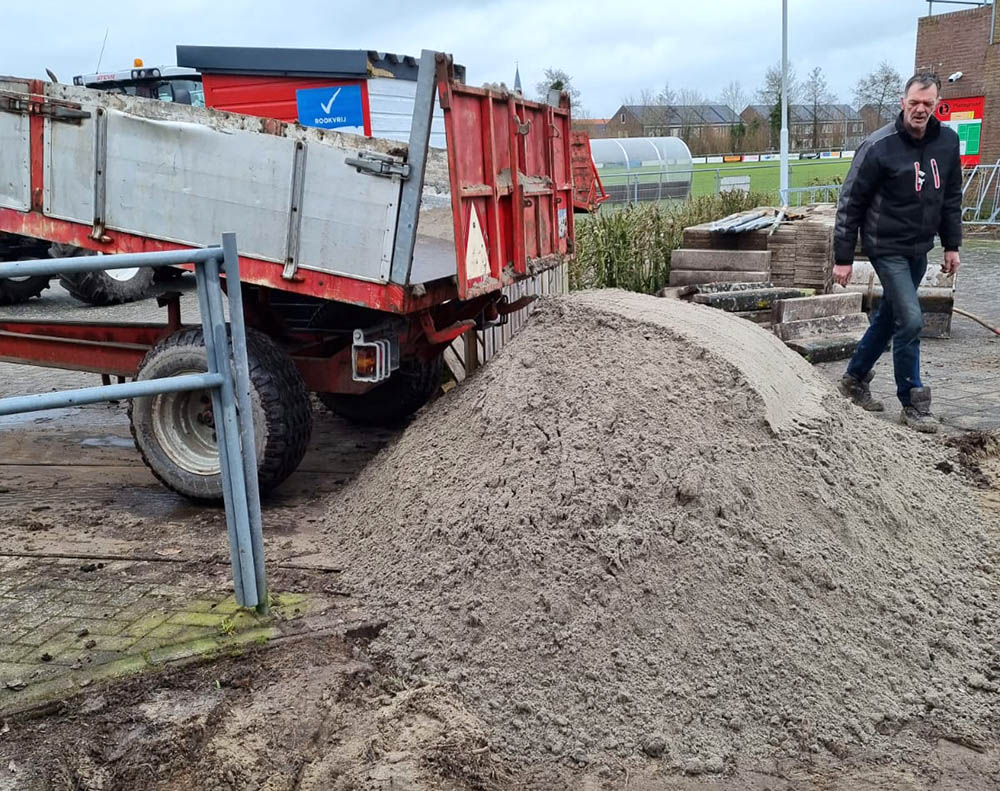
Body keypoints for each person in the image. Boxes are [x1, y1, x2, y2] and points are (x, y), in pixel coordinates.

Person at [832, 73, 961, 433]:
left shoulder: (947, 143)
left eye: (928, 104)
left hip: (919, 248)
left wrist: (952, 245)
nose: (920, 109)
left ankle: (854, 380)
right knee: (912, 319)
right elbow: (851, 202)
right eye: (915, 102)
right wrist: (843, 257)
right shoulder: (879, 146)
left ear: (937, 104)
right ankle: (913, 401)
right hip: (885, 246)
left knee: (889, 317)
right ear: (903, 102)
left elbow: (951, 198)